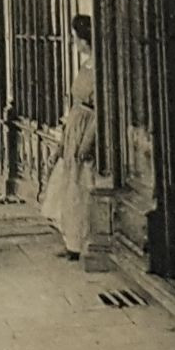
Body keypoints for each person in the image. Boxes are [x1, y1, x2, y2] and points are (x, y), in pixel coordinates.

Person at [40, 15, 98, 262]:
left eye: (75, 38)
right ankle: (71, 241)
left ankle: (83, 242)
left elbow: (99, 109)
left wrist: (87, 140)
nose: (74, 43)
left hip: (86, 128)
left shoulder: (99, 68)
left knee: (82, 186)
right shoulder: (85, 65)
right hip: (74, 126)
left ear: (85, 39)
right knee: (68, 187)